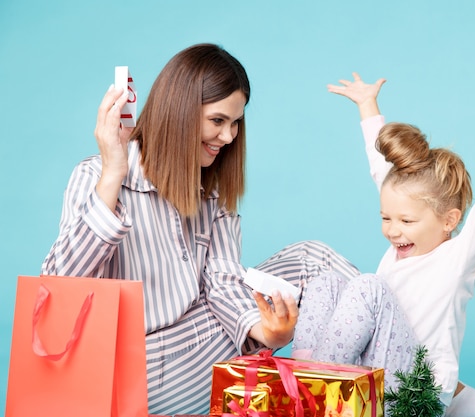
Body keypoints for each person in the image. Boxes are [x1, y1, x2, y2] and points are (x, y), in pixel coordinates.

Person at [40, 43, 359, 415]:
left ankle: (404, 378)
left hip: (195, 354)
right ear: (179, 112)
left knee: (311, 259)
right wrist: (114, 173)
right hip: (132, 372)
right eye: (218, 121)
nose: (229, 137)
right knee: (310, 263)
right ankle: (415, 382)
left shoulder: (210, 188)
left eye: (236, 123)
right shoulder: (96, 175)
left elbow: (223, 282)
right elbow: (59, 289)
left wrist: (267, 332)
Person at [292, 72, 475, 416]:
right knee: (326, 282)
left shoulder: (458, 258)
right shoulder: (401, 243)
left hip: (413, 394)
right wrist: (367, 105)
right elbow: (382, 170)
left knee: (368, 286)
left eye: (406, 221)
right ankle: (300, 383)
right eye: (386, 218)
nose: (393, 230)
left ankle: (314, 392)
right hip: (375, 377)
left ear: (448, 221)